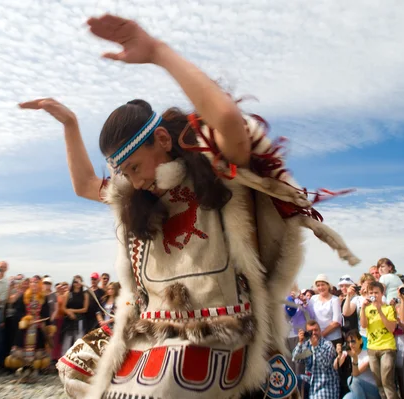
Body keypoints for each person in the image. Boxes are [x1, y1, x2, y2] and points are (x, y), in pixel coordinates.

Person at [20, 13, 357, 399]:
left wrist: (159, 53)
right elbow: (84, 185)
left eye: (134, 167)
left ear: (162, 138)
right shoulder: (138, 198)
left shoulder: (221, 174)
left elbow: (229, 119)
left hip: (228, 334)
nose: (134, 181)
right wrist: (69, 124)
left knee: (171, 381)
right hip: (156, 329)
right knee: (79, 365)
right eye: (124, 174)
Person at [4, 276, 54, 382]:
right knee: (22, 352)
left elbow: (46, 314)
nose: (34, 285)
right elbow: (17, 311)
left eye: (36, 283)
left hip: (38, 329)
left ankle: (32, 373)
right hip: (25, 329)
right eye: (32, 283)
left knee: (37, 353)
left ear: (39, 285)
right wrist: (26, 319)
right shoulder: (24, 297)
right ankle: (24, 372)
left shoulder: (43, 298)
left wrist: (48, 327)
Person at [360, 282, 397, 399]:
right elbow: (364, 325)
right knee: (379, 382)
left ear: (382, 294)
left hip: (387, 348)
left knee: (387, 381)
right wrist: (362, 308)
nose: (374, 295)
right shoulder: (367, 309)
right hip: (372, 348)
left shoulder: (389, 308)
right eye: (371, 293)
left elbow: (391, 328)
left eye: (376, 293)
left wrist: (379, 310)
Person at [292, 320, 339, 398]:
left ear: (320, 331)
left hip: (325, 383)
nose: (314, 333)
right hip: (311, 381)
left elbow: (324, 365)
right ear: (307, 333)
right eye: (311, 331)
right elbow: (295, 358)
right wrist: (300, 342)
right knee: (294, 380)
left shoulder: (328, 345)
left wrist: (315, 347)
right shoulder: (306, 344)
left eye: (316, 330)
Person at [340, 330, 380, 399]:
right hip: (358, 391)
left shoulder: (368, 354)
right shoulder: (349, 353)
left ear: (360, 341)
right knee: (346, 398)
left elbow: (355, 374)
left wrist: (355, 358)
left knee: (351, 380)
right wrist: (339, 355)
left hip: (373, 390)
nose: (351, 345)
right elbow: (335, 366)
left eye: (353, 341)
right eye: (348, 342)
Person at [307, 274, 343, 346]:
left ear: (328, 286)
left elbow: (336, 322)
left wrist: (321, 335)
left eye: (323, 285)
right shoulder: (313, 299)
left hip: (333, 338)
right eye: (318, 285)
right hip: (316, 337)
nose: (320, 287)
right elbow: (310, 317)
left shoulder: (335, 300)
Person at [60, 276, 89, 356]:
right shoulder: (68, 294)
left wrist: (72, 310)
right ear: (73, 283)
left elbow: (85, 309)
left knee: (78, 343)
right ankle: (63, 363)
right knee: (67, 343)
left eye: (80, 282)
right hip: (69, 321)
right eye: (76, 282)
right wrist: (69, 312)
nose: (77, 284)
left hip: (80, 320)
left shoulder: (85, 295)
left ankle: (77, 363)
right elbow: (63, 307)